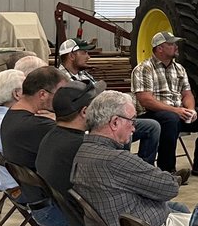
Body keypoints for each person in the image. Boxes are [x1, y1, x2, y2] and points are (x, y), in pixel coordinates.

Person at [71, 90, 192, 226]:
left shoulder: (84, 151)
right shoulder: (115, 159)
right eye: (132, 121)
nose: (134, 128)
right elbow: (169, 188)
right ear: (115, 122)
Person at [59, 37, 161, 165]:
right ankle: (124, 170)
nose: (88, 57)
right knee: (121, 126)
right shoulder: (61, 80)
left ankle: (145, 169)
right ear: (72, 55)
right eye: (84, 53)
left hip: (103, 117)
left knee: (152, 126)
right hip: (89, 122)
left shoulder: (83, 75)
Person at [132, 31, 198, 177]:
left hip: (177, 112)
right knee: (170, 119)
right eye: (171, 44)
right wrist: (176, 111)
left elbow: (187, 94)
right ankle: (167, 169)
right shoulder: (143, 69)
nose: (176, 47)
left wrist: (190, 110)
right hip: (153, 113)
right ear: (159, 49)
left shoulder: (179, 68)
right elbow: (146, 100)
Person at [0, 65, 69, 226]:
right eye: (60, 93)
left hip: (37, 202)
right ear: (43, 94)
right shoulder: (36, 125)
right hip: (53, 210)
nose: (64, 99)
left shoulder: (12, 116)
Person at [35, 80, 103, 226]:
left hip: (65, 211)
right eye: (97, 106)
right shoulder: (82, 148)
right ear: (85, 111)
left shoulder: (52, 136)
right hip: (87, 223)